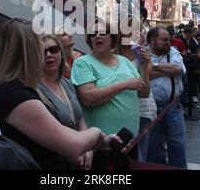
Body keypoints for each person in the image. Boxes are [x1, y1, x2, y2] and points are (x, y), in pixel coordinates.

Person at [0, 19, 119, 170]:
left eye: (53, 49)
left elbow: (62, 130)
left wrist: (95, 144)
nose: (47, 54)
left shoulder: (17, 90)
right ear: (31, 50)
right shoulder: (14, 94)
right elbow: (72, 146)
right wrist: (96, 132)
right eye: (41, 46)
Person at [70, 20, 150, 137]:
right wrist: (124, 85)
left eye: (102, 33)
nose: (97, 36)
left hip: (131, 139)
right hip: (102, 143)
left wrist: (144, 67)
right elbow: (89, 98)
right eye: (93, 34)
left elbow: (144, 93)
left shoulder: (125, 62)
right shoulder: (82, 63)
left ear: (112, 37)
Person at [37, 35, 93, 169]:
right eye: (43, 52)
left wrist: (87, 150)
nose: (49, 54)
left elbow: (80, 119)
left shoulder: (66, 83)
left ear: (61, 53)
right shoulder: (33, 88)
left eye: (53, 49)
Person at [146, 27, 187, 168]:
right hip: (151, 109)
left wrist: (154, 66)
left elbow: (178, 69)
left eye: (169, 39)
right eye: (164, 40)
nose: (169, 42)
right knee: (153, 148)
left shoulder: (173, 52)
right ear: (153, 40)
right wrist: (166, 71)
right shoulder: (143, 54)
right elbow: (143, 75)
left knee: (177, 145)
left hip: (172, 107)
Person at [117, 22, 156, 162]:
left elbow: (148, 76)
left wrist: (144, 61)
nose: (132, 34)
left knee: (139, 153)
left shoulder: (141, 51)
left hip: (142, 107)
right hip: (122, 106)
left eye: (135, 31)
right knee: (123, 150)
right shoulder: (115, 52)